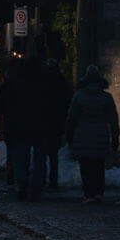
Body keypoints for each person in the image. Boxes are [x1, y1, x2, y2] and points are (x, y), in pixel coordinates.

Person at [66, 65, 120, 203]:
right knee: (99, 166)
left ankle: (88, 193)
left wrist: (69, 135)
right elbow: (113, 119)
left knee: (85, 166)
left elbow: (71, 118)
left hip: (82, 134)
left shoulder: (79, 96)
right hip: (101, 134)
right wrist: (115, 137)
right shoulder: (106, 98)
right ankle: (98, 193)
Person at [0, 54, 47, 200]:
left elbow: (5, 104)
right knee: (39, 157)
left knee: (21, 155)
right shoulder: (43, 83)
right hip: (39, 125)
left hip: (20, 125)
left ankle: (22, 181)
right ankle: (37, 185)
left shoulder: (15, 84)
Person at [38, 58, 72, 191]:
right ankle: (53, 180)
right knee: (53, 155)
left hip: (43, 122)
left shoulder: (42, 82)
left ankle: (42, 178)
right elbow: (67, 101)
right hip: (56, 122)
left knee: (42, 153)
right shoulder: (61, 81)